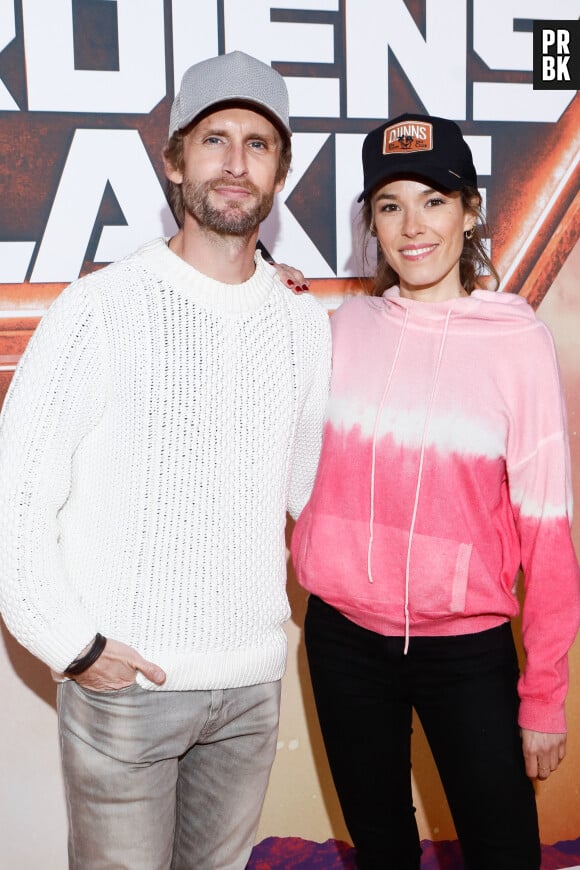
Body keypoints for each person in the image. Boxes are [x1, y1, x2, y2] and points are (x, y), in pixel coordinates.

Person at [0, 51, 330, 869]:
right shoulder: (100, 308)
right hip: (128, 689)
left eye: (258, 145)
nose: (235, 162)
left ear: (279, 173)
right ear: (175, 160)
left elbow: (307, 493)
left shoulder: (301, 322)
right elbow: (14, 494)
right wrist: (71, 643)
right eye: (214, 140)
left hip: (251, 688)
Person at [291, 113, 580, 869]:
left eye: (434, 200)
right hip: (344, 640)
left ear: (471, 210)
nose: (412, 226)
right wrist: (272, 297)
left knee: (505, 854)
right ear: (373, 223)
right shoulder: (339, 328)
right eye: (390, 205)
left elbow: (549, 529)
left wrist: (543, 693)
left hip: (467, 649)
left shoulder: (517, 343)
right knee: (381, 852)